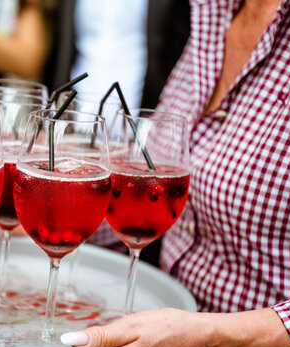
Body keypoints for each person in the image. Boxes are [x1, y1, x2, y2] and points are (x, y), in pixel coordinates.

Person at [60, 0, 290, 347]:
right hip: (158, 327)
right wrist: (52, 221)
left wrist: (212, 339)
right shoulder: (215, 10)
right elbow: (155, 197)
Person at [43, 0, 191, 263]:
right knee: (71, 213)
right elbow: (60, 49)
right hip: (73, 130)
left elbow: (181, 50)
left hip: (135, 138)